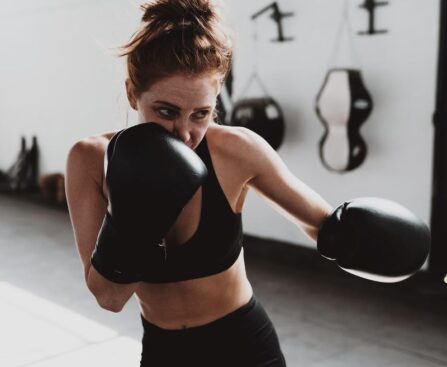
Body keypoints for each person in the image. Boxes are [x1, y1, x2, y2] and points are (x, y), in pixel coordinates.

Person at [65, 1, 430, 366]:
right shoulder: (91, 160)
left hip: (244, 346)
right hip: (164, 353)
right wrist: (137, 214)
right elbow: (108, 297)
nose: (185, 132)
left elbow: (325, 227)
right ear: (132, 93)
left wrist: (358, 237)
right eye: (166, 111)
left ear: (217, 98)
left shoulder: (237, 150)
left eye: (201, 114)